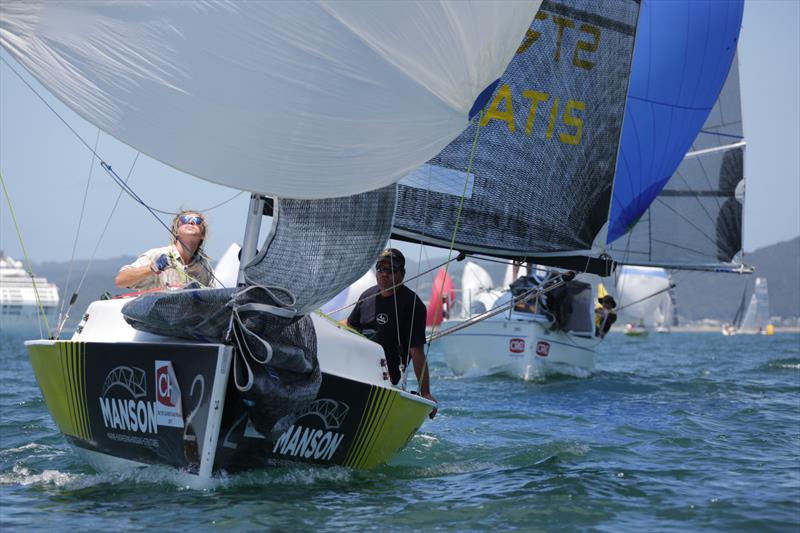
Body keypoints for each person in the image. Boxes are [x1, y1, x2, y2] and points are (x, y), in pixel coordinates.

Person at [346, 248, 437, 417]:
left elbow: (416, 351)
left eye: (390, 270)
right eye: (380, 268)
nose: (384, 274)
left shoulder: (412, 304)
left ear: (401, 274)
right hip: (357, 372)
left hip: (387, 380)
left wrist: (425, 393)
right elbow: (349, 328)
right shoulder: (367, 296)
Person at [115, 209, 214, 290]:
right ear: (176, 231)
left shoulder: (204, 267)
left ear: (202, 235)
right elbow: (120, 280)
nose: (191, 222)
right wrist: (151, 268)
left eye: (197, 221)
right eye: (185, 219)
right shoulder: (157, 255)